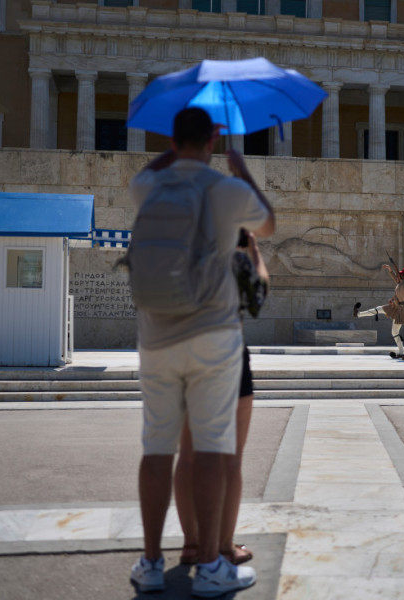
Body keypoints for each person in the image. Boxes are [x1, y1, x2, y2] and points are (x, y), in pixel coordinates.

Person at [127, 107, 274, 597]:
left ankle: (150, 562)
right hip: (213, 334)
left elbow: (147, 171)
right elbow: (268, 223)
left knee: (157, 449)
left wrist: (178, 148)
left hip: (157, 335)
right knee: (213, 449)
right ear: (212, 138)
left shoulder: (148, 187)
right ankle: (212, 565)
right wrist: (240, 168)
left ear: (172, 139)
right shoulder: (226, 191)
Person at [173, 229, 269, 569]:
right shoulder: (237, 261)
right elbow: (258, 294)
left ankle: (191, 545)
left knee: (187, 457)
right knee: (230, 459)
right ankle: (225, 548)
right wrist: (254, 251)